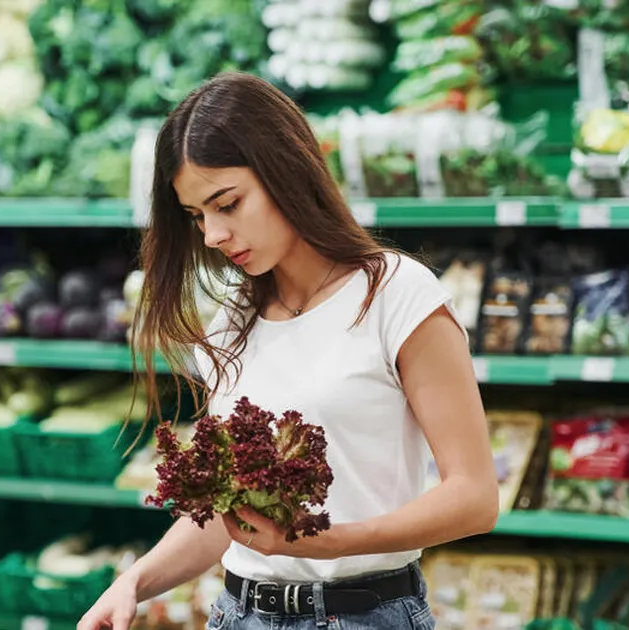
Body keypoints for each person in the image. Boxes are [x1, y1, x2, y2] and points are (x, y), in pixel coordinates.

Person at [78, 72, 498, 630]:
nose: (212, 235)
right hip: (238, 614)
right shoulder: (231, 319)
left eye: (227, 203)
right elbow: (229, 516)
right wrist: (134, 581)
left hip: (364, 616)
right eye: (197, 216)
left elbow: (475, 497)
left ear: (285, 168)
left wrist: (332, 543)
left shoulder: (398, 294)